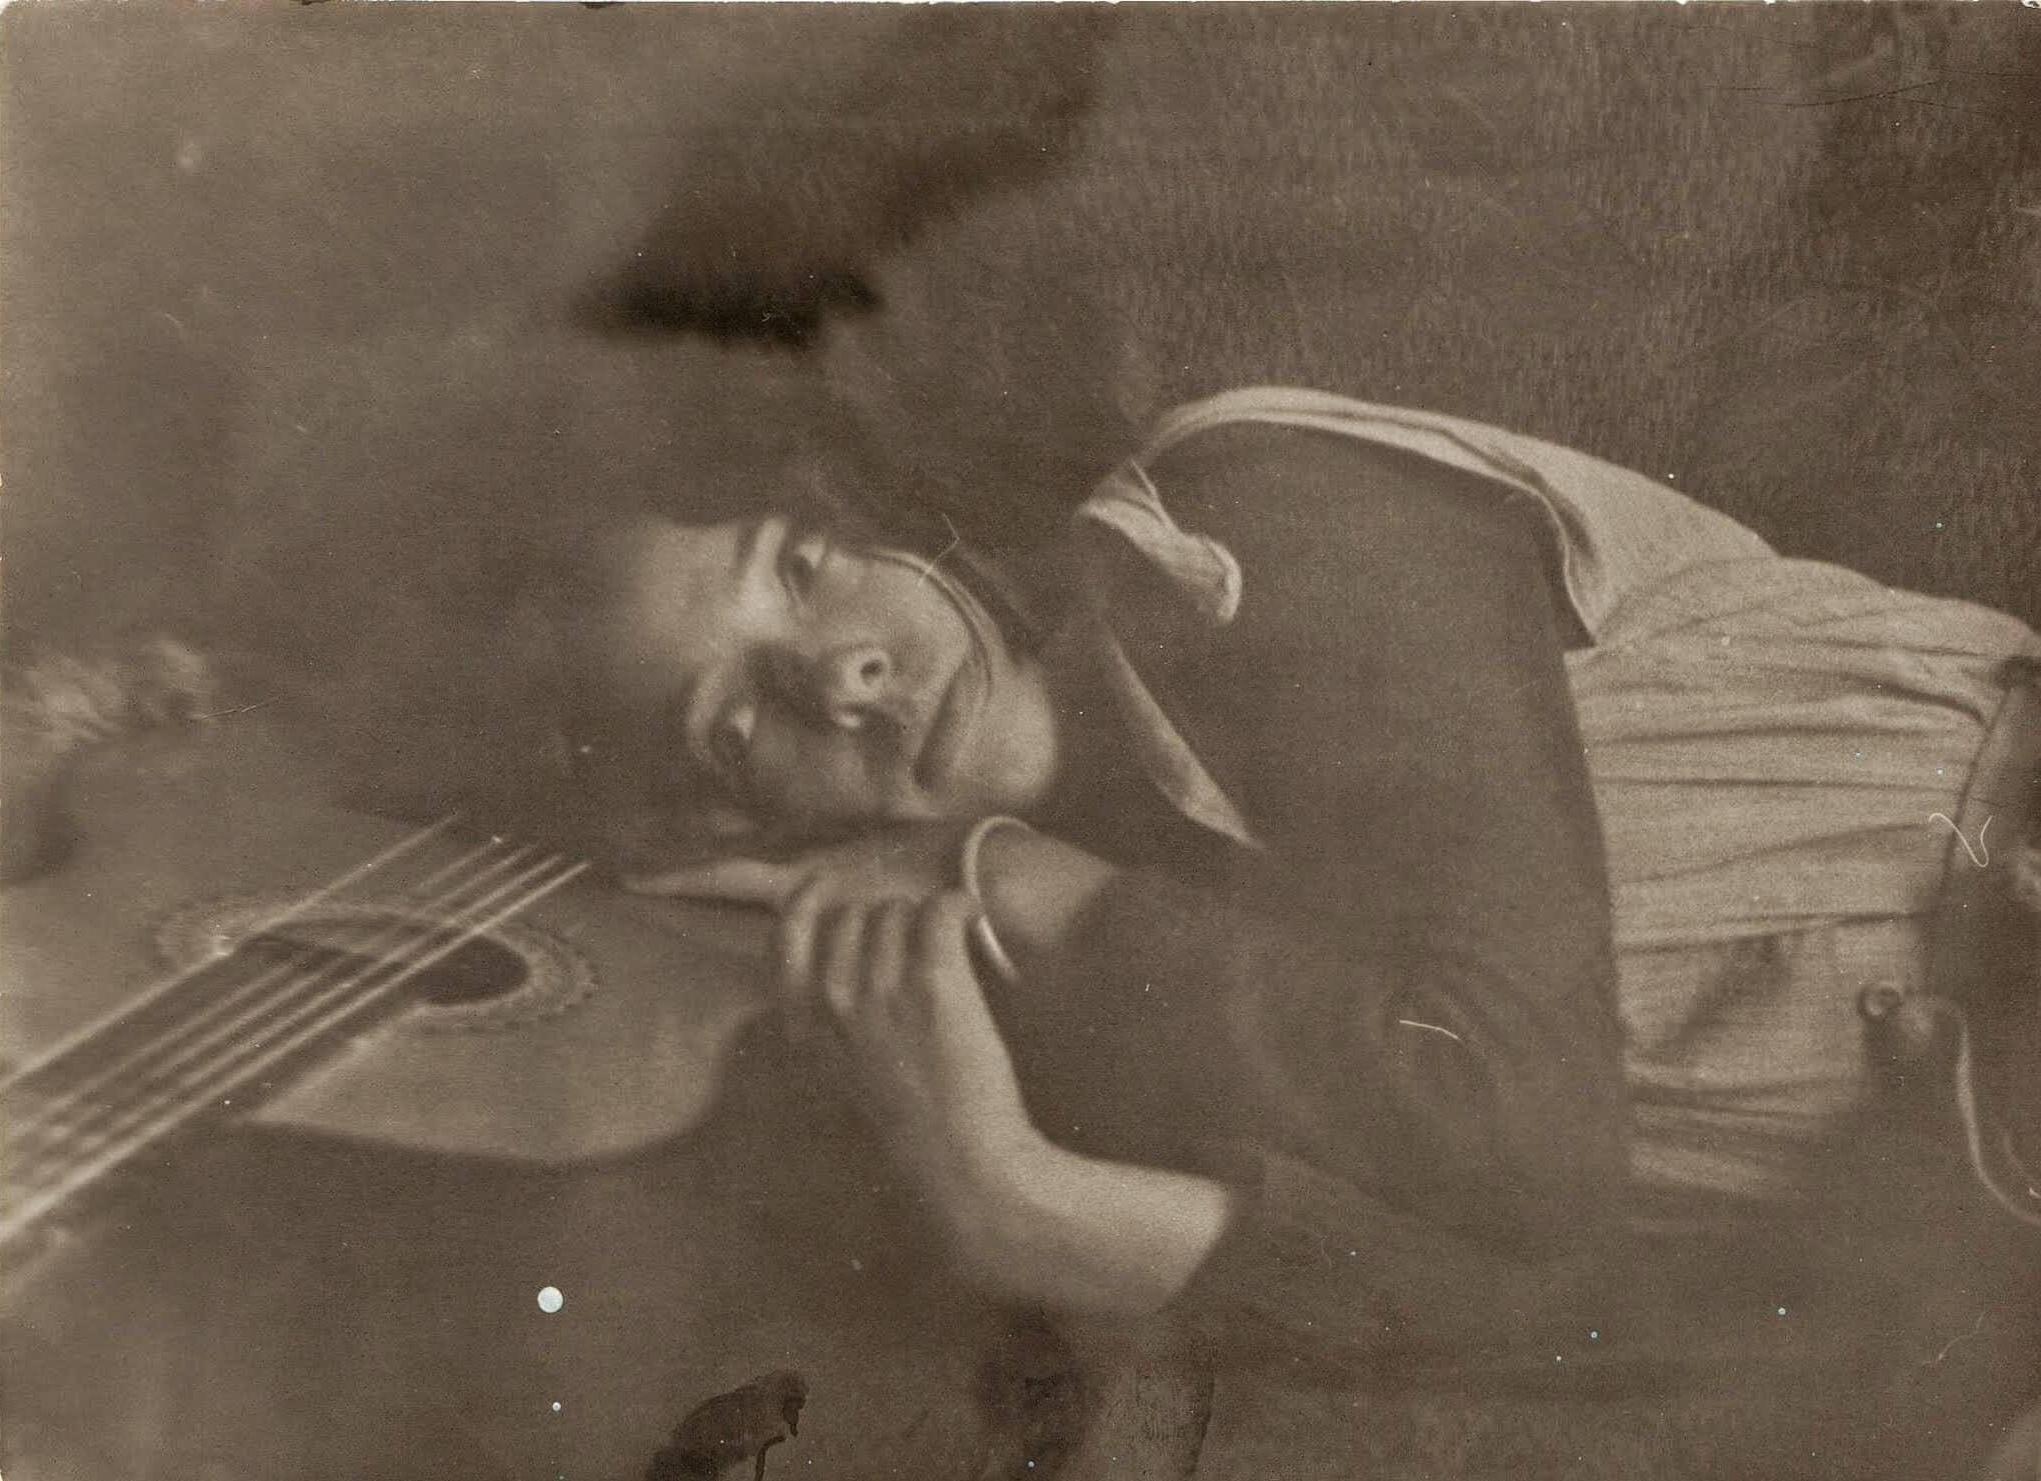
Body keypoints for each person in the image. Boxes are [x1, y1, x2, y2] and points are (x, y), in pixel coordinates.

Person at [544, 386, 2038, 1383]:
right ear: (715, 839)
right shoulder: (1019, 1003)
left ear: (880, 529)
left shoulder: (1247, 521)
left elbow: (1523, 1138)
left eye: (805, 569)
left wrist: (1020, 1118)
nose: (843, 675)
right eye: (737, 726)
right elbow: (1570, 1326)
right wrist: (1017, 1181)